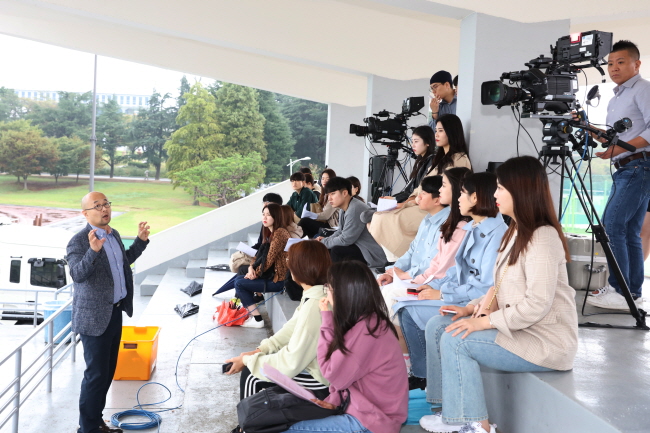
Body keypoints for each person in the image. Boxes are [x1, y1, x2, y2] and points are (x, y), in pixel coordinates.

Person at [419, 156, 578, 433]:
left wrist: (482, 322)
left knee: (457, 341)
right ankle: (447, 411)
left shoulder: (543, 236)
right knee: (438, 325)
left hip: (543, 340)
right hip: (518, 329)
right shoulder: (516, 231)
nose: (494, 195)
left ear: (520, 190)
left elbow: (536, 305)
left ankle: (477, 426)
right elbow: (499, 286)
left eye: (501, 188)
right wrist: (470, 309)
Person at [398, 172, 507, 388]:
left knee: (409, 312)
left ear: (475, 198)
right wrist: (433, 286)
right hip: (460, 296)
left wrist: (443, 294)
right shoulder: (474, 227)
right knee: (404, 306)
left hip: (473, 303)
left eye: (463, 194)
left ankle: (423, 377)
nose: (458, 198)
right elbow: (454, 271)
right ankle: (422, 373)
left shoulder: (495, 233)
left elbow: (485, 287)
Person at [282, 261, 408, 433]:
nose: (327, 291)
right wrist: (334, 399)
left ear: (344, 295)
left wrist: (326, 320)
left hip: (371, 421)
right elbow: (345, 376)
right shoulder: (366, 322)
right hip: (362, 410)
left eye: (329, 287)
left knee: (282, 428)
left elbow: (332, 373)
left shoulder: (367, 332)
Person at [66, 192, 150, 433]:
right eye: (97, 206)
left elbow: (124, 262)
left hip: (115, 313)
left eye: (106, 204)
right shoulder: (79, 241)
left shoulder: (113, 235)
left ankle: (96, 422)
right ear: (85, 213)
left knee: (107, 374)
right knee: (95, 376)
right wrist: (92, 251)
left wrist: (140, 242)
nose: (104, 209)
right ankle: (87, 429)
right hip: (93, 319)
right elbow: (77, 275)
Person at [584, 40, 650, 310]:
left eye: (621, 62)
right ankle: (630, 294)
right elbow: (620, 138)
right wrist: (598, 135)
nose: (614, 68)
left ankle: (619, 290)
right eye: (610, 63)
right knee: (630, 231)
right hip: (627, 167)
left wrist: (618, 149)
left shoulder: (643, 89)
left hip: (638, 166)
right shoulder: (617, 97)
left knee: (611, 226)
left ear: (637, 64)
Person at [225, 241, 331, 407]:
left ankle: (246, 427)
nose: (287, 263)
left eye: (290, 260)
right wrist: (258, 351)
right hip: (311, 365)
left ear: (301, 267)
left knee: (252, 375)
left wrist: (249, 361)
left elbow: (292, 361)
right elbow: (290, 329)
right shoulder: (316, 293)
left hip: (320, 379)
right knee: (255, 366)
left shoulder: (315, 305)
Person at [368, 115, 471, 258]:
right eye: (436, 130)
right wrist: (408, 200)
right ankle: (397, 259)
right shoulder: (439, 159)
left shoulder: (459, 159)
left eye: (441, 130)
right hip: (423, 204)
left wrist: (413, 201)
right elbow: (421, 186)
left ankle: (399, 259)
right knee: (378, 216)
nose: (436, 134)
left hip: (438, 209)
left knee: (385, 219)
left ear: (452, 132)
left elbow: (448, 191)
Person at [231, 203, 291, 328]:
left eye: (268, 215)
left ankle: (257, 319)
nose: (265, 217)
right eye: (263, 214)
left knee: (239, 283)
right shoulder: (270, 232)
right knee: (239, 279)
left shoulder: (280, 233)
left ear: (276, 216)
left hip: (280, 280)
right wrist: (251, 268)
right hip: (272, 276)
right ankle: (255, 316)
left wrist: (254, 274)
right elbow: (259, 256)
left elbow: (268, 260)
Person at [319, 177, 386, 266]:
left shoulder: (355, 209)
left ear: (345, 193)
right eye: (328, 195)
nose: (329, 198)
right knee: (329, 246)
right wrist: (325, 240)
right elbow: (340, 231)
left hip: (370, 253)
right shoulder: (344, 207)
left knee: (336, 251)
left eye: (333, 194)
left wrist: (323, 243)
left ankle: (336, 278)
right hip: (359, 245)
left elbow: (345, 239)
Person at [229, 193, 283, 273]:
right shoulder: (266, 223)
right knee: (236, 259)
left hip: (269, 263)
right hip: (261, 255)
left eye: (267, 201)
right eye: (263, 214)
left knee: (240, 272)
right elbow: (260, 243)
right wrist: (248, 251)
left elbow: (271, 255)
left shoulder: (280, 230)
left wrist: (252, 266)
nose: (264, 204)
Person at [299, 168, 339, 238]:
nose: (324, 181)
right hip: (325, 223)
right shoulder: (324, 194)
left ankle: (294, 242)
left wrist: (311, 215)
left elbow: (326, 215)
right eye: (323, 178)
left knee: (304, 221)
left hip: (332, 226)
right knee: (305, 226)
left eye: (327, 178)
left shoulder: (333, 195)